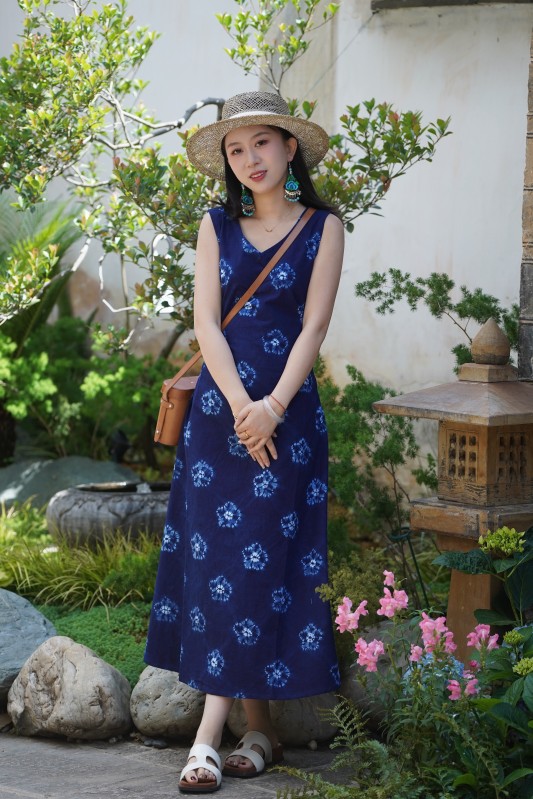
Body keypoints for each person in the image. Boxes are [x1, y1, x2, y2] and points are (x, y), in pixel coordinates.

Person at [144, 91, 345, 794]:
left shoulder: (323, 228)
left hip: (287, 424)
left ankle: (206, 738)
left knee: (264, 565)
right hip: (219, 423)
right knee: (218, 568)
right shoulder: (215, 225)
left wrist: (273, 409)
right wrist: (241, 409)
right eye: (236, 149)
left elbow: (314, 327)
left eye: (262, 143)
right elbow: (206, 323)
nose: (250, 159)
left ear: (290, 148)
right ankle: (257, 730)